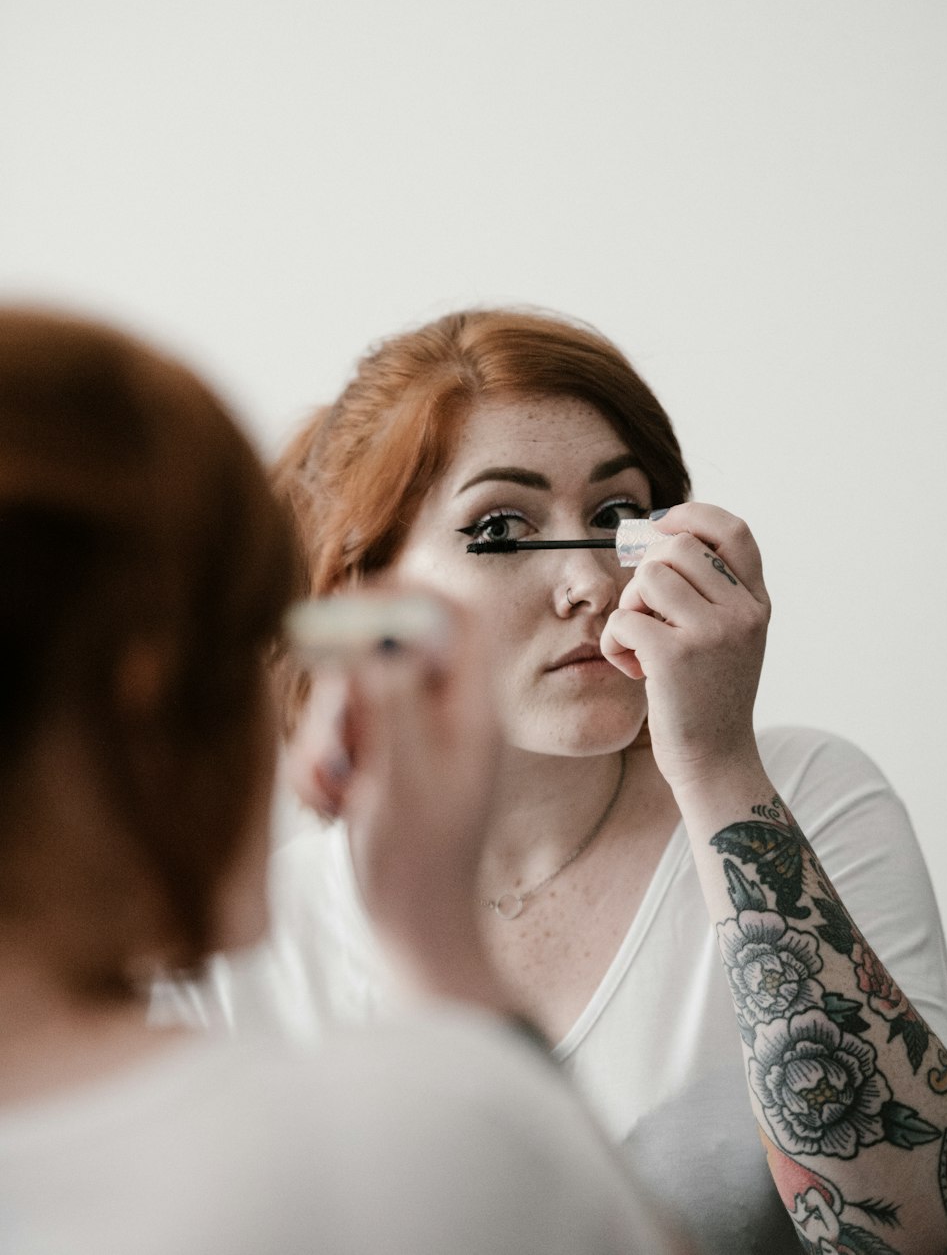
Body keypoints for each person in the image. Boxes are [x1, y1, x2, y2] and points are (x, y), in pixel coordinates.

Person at [163, 305, 947, 1255]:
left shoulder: (803, 793)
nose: (592, 582)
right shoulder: (241, 943)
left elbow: (921, 1232)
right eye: (498, 527)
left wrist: (715, 764)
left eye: (616, 518)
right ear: (364, 592)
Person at [0, 307, 681, 1255]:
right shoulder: (396, 1142)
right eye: (264, 647)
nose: (587, 580)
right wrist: (442, 953)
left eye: (617, 519)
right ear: (146, 707)